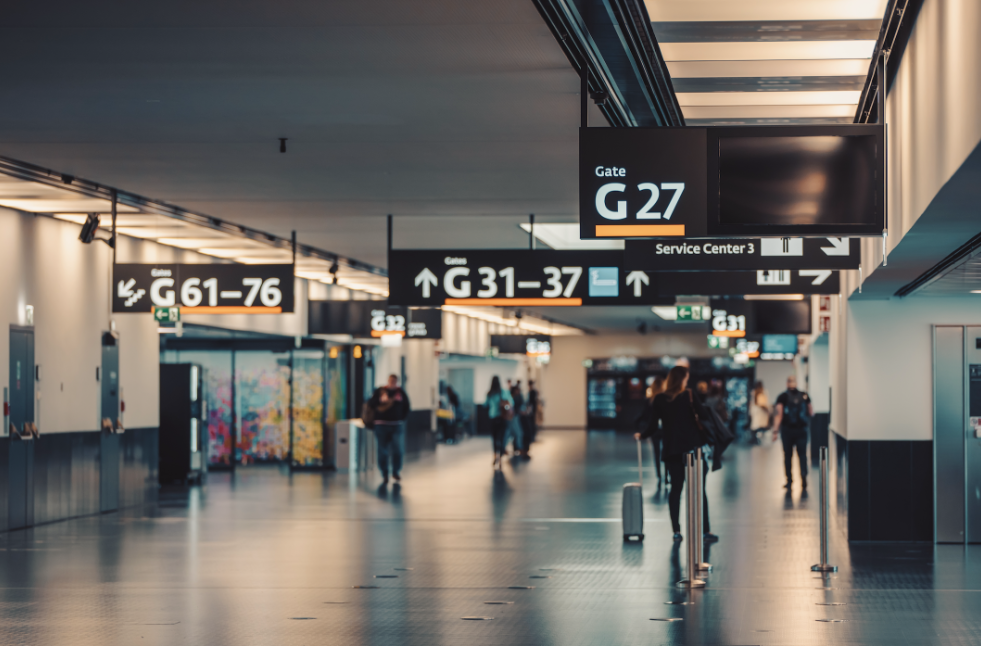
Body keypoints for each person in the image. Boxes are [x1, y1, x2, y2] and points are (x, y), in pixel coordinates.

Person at [635, 365, 714, 543]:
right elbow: (704, 416)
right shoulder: (689, 396)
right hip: (693, 450)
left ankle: (676, 530)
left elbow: (653, 425)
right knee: (699, 490)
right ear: (682, 379)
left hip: (672, 450)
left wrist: (642, 435)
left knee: (676, 490)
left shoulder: (660, 399)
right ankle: (705, 530)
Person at [367, 374, 411, 485]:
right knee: (382, 450)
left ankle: (396, 471)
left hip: (396, 425)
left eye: (394, 381)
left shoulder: (400, 393)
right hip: (381, 425)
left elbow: (407, 406)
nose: (392, 383)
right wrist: (380, 400)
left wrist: (401, 418)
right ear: (388, 381)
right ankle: (384, 472)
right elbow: (370, 404)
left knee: (398, 449)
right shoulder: (380, 391)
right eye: (391, 381)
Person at [772, 375, 813, 489]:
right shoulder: (804, 396)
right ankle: (804, 478)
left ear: (787, 383)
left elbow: (778, 416)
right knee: (802, 455)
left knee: (787, 456)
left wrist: (775, 431)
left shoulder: (782, 397)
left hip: (787, 430)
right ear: (796, 382)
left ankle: (789, 481)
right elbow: (811, 412)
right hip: (802, 430)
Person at [636, 376, 666, 482]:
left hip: (654, 430)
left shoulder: (649, 401)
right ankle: (667, 475)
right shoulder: (665, 400)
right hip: (665, 430)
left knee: (657, 453)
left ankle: (659, 475)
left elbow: (644, 415)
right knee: (666, 452)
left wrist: (639, 428)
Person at [486, 376, 514, 469]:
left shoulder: (489, 393)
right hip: (502, 418)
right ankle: (500, 459)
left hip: (493, 418)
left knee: (494, 438)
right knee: (502, 438)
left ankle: (495, 456)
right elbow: (511, 403)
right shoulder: (503, 392)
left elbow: (485, 404)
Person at [748, 381, 770, 445]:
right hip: (760, 411)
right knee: (757, 426)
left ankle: (755, 439)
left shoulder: (758, 392)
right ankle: (756, 439)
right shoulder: (756, 392)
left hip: (758, 411)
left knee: (755, 426)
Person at [509, 381, 526, 457]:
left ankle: (516, 448)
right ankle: (519, 448)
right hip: (513, 417)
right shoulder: (512, 398)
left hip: (515, 417)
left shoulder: (517, 397)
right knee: (518, 433)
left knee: (513, 434)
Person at [522, 380, 539, 454]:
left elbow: (532, 402)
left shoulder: (533, 392)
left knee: (532, 424)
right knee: (531, 424)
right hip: (530, 410)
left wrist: (530, 410)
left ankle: (532, 436)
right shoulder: (530, 392)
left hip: (532, 410)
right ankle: (532, 436)